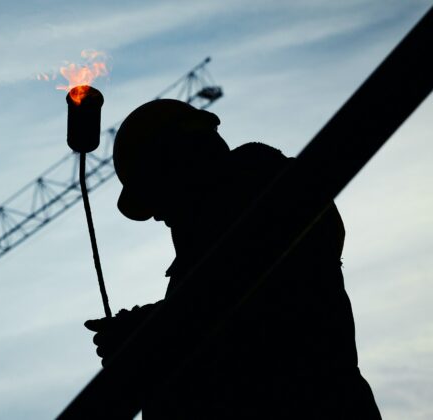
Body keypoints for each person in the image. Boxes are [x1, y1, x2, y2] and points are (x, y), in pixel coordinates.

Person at [84, 99, 381, 419]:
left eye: (155, 191)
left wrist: (150, 335)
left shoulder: (271, 192)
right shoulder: (204, 262)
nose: (156, 214)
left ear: (180, 161)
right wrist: (146, 334)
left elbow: (245, 309)